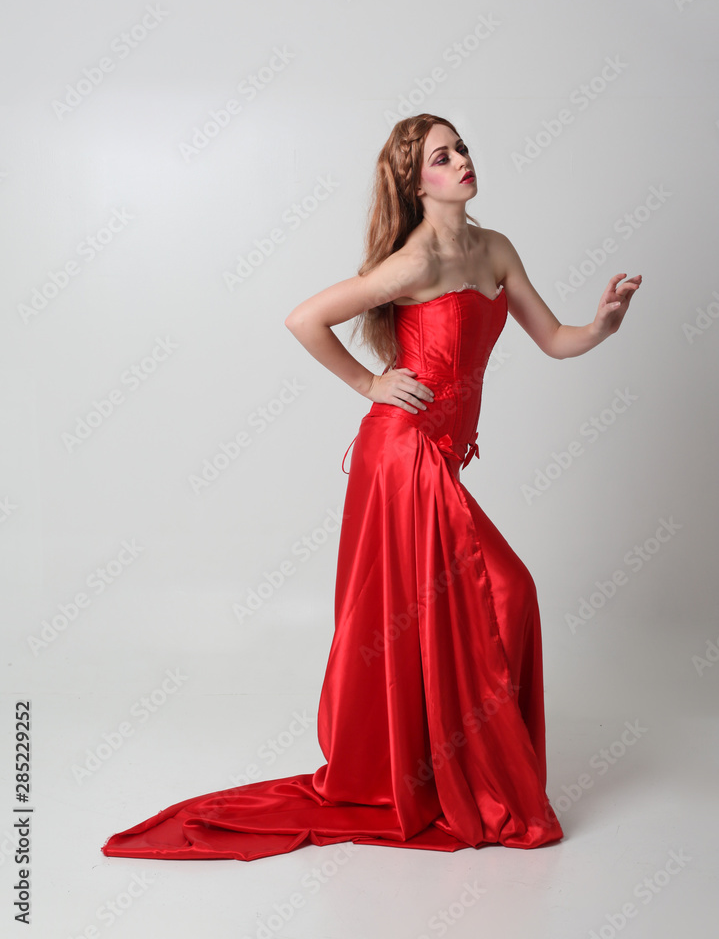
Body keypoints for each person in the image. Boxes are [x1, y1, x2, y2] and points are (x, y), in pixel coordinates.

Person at [101, 113, 641, 862]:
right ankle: (476, 782)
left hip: (437, 460)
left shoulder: (495, 249)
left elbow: (553, 340)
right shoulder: (413, 262)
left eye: (461, 149)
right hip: (400, 455)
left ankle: (469, 772)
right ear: (415, 181)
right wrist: (370, 384)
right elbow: (304, 318)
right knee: (508, 590)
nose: (460, 161)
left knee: (469, 605)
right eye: (441, 157)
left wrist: (602, 326)